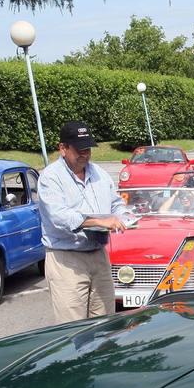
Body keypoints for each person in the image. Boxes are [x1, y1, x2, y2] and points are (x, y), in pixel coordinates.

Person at [38, 121, 128, 323]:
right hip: (67, 259)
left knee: (105, 325)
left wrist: (123, 217)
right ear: (63, 148)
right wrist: (97, 221)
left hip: (98, 255)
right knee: (73, 330)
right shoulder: (50, 178)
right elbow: (58, 216)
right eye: (79, 149)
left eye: (88, 149)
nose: (85, 154)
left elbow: (116, 203)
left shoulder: (100, 174)